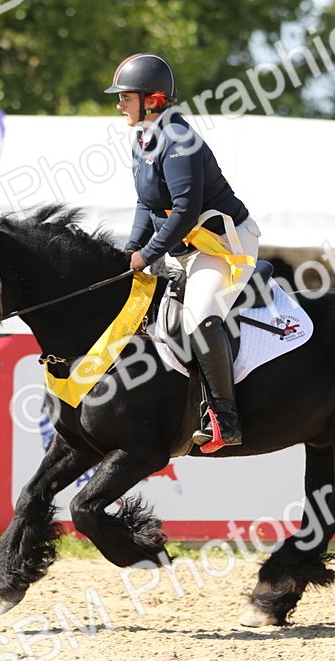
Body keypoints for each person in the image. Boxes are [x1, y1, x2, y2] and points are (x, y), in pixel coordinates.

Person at [107, 53, 260, 450]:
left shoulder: (179, 140)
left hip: (225, 245)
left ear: (153, 99)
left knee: (199, 315)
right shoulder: (143, 139)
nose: (120, 104)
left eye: (126, 97)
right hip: (186, 247)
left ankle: (226, 419)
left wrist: (147, 255)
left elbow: (186, 210)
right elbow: (147, 204)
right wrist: (130, 248)